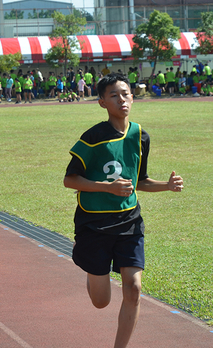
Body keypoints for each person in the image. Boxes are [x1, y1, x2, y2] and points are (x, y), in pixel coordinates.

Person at [63, 73, 184, 348]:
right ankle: (94, 270)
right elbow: (70, 180)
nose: (122, 99)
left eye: (126, 93)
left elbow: (138, 182)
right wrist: (107, 188)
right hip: (93, 225)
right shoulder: (92, 137)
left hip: (129, 222)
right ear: (102, 102)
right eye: (114, 95)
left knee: (134, 288)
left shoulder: (140, 136)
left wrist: (166, 185)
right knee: (100, 301)